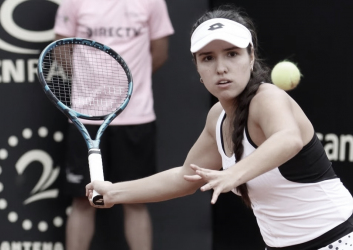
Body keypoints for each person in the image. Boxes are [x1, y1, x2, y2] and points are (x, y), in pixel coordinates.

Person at [85, 4, 353, 250]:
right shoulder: (217, 117)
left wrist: (233, 173)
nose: (221, 68)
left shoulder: (267, 97)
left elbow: (288, 139)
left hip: (337, 239)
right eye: (208, 58)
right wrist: (114, 192)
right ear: (198, 68)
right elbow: (185, 178)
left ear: (251, 57)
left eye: (232, 54)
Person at [53, 0, 174, 250]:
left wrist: (124, 87)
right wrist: (90, 81)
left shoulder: (152, 2)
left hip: (136, 117)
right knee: (82, 201)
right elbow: (60, 47)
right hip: (85, 119)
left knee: (136, 200)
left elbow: (160, 52)